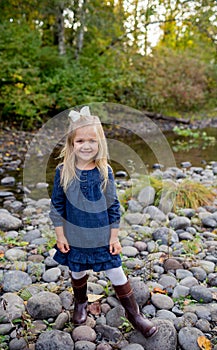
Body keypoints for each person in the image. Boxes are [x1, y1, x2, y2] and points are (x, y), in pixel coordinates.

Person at [49, 106, 157, 338]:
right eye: (80, 141)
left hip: (101, 236)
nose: (86, 146)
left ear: (100, 143)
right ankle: (80, 303)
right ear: (71, 143)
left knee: (116, 271)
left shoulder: (104, 171)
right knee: (77, 272)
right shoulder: (63, 171)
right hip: (75, 237)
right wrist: (60, 235)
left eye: (92, 141)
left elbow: (114, 207)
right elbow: (57, 206)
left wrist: (114, 237)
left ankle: (134, 314)